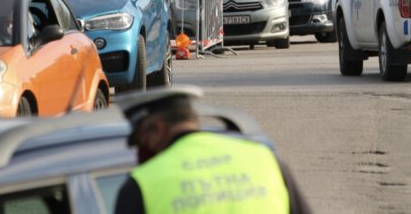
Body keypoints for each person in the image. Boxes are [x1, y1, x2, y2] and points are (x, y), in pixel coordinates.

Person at [114, 87, 311, 214]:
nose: (140, 150)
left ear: (159, 129)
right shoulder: (265, 160)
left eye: (140, 140)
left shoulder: (143, 184)